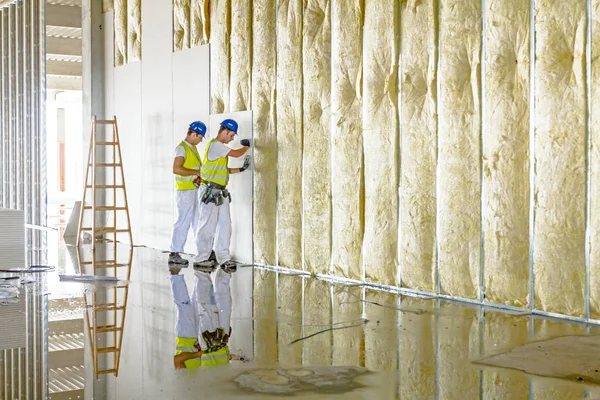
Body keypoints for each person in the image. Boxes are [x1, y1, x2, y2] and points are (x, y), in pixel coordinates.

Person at [193, 119, 251, 272]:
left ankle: (223, 258)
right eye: (231, 135)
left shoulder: (220, 150)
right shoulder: (215, 145)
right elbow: (237, 153)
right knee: (207, 226)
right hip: (209, 192)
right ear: (224, 132)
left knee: (225, 226)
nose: (232, 139)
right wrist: (247, 145)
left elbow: (224, 170)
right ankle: (201, 258)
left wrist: (241, 169)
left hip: (221, 192)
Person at [169, 263, 233, 369]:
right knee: (199, 301)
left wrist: (199, 354)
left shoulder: (184, 379)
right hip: (198, 340)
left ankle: (175, 274)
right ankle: (203, 271)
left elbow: (178, 359)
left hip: (186, 336)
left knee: (184, 305)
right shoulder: (199, 379)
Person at [169, 121, 206, 265]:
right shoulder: (182, 148)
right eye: (200, 137)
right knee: (183, 221)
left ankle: (204, 252)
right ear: (194, 134)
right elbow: (176, 169)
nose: (201, 139)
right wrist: (197, 172)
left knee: (198, 221)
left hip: (194, 189)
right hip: (185, 191)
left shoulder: (192, 148)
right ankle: (174, 253)